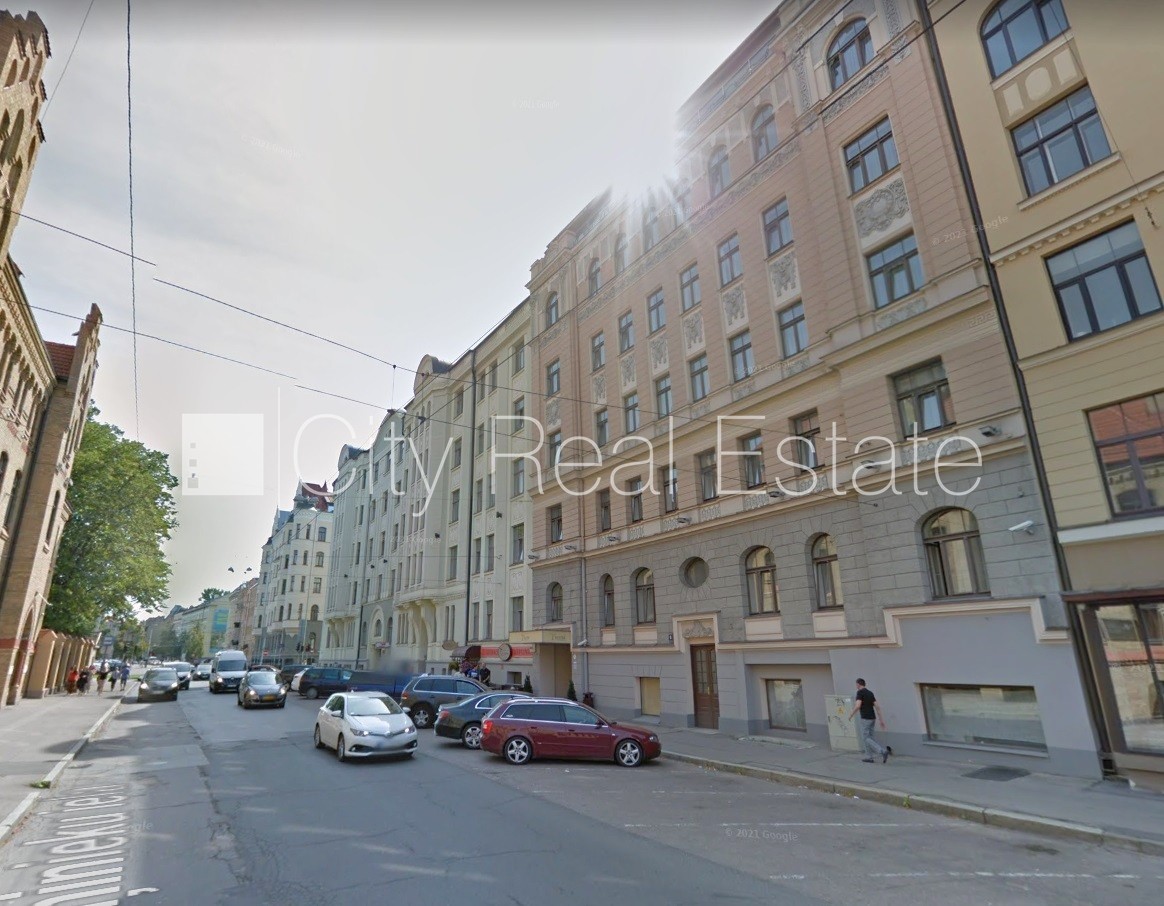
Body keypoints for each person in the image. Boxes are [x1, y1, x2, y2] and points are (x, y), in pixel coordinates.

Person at [848, 678, 891, 764]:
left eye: (856, 684)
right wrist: (881, 720)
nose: (856, 686)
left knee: (866, 738)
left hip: (865, 718)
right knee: (869, 737)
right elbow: (877, 707)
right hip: (872, 718)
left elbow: (858, 705)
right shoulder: (870, 693)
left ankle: (882, 751)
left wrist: (851, 714)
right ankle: (869, 757)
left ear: (858, 684)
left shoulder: (860, 692)